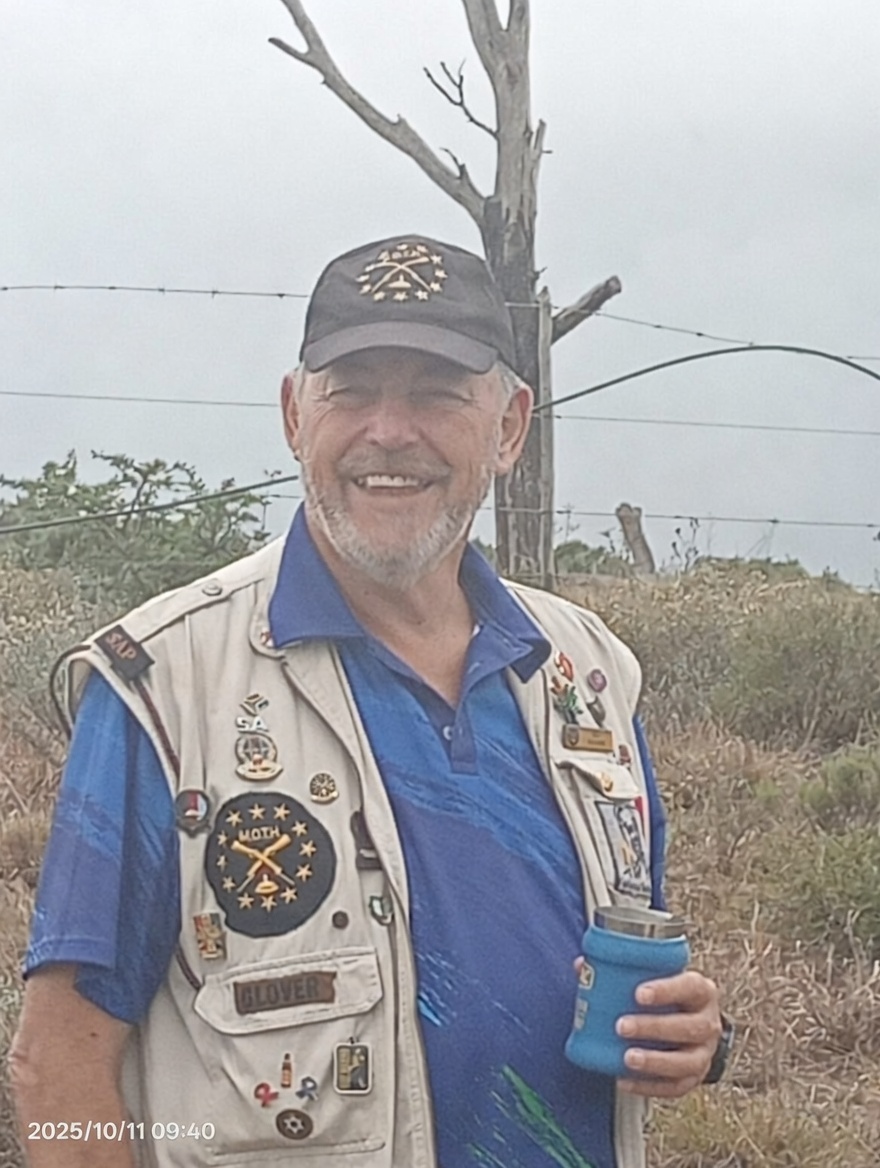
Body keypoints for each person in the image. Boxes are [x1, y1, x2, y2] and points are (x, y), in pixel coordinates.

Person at [11, 235, 729, 1168]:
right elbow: (59, 1067)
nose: (389, 431)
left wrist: (690, 1036)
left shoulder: (587, 672)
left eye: (437, 393)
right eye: (351, 391)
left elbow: (621, 963)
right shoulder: (163, 685)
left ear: (510, 427)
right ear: (293, 415)